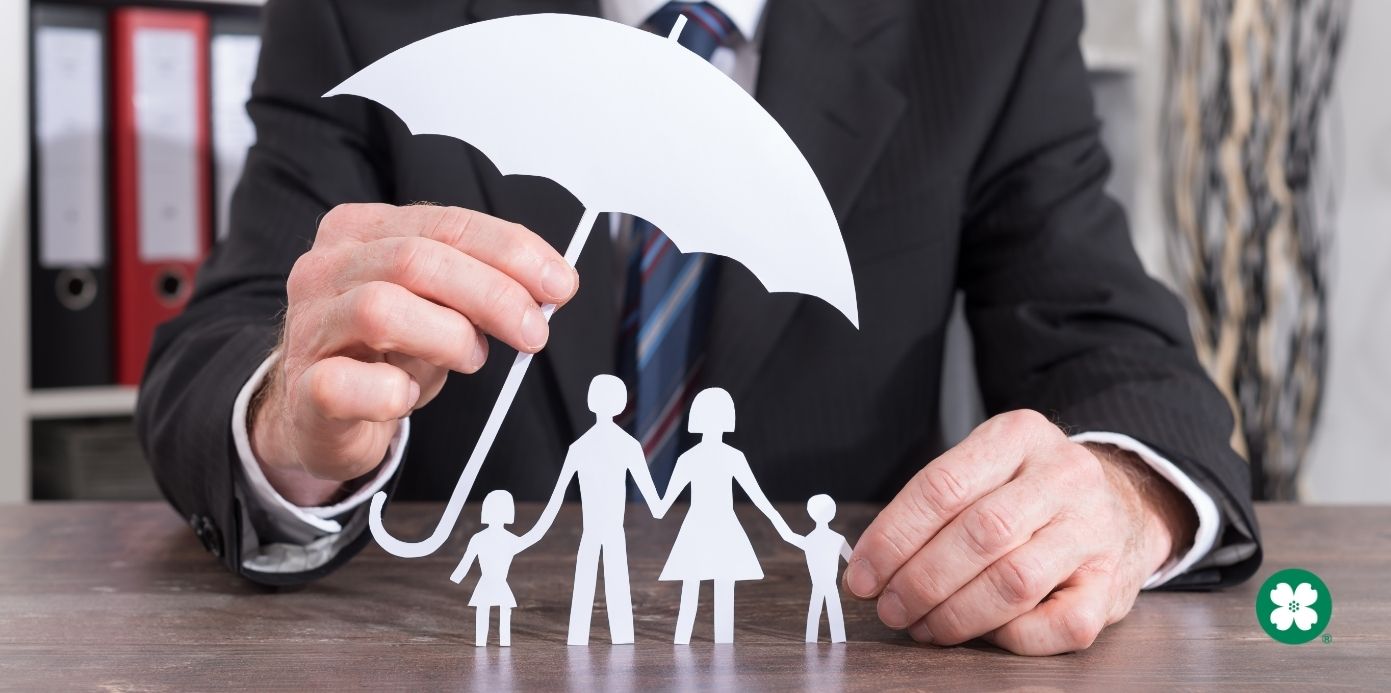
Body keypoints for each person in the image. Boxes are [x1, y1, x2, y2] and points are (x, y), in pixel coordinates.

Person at [138, 0, 1262, 655]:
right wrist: (286, 420)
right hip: (440, 648)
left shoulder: (984, 20)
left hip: (823, 642)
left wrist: (1119, 496)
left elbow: (1110, 347)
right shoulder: (366, 9)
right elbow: (224, 340)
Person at [652, 388, 800, 644]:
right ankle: (718, 644)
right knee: (721, 591)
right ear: (727, 418)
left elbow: (661, 507)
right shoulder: (732, 457)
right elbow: (760, 500)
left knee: (691, 591)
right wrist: (784, 529)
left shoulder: (689, 458)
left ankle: (685, 642)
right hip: (721, 529)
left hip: (700, 529)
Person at [525, 374, 663, 645]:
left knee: (585, 583)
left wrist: (532, 535)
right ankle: (619, 636)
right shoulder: (627, 446)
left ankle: (580, 636)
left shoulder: (580, 447)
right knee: (616, 584)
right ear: (621, 403)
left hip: (595, 531)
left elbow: (555, 499)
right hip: (610, 531)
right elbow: (655, 502)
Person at [450, 490, 534, 647]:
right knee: (488, 612)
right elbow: (466, 561)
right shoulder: (484, 538)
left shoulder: (501, 539)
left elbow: (531, 538)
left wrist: (457, 576)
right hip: (488, 583)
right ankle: (486, 641)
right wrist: (457, 576)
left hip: (497, 583)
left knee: (497, 612)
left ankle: (501, 641)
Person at [788, 494, 854, 644]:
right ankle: (836, 638)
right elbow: (852, 559)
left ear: (811, 513)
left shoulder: (809, 540)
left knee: (815, 612)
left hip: (819, 584)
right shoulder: (837, 538)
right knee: (832, 609)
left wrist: (775, 519)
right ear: (833, 512)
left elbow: (788, 536)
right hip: (829, 584)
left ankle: (812, 639)